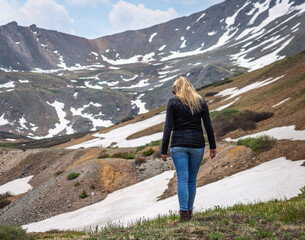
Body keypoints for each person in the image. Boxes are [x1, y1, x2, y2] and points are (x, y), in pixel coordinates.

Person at [161, 76, 217, 223]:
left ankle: (184, 214)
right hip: (197, 145)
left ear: (177, 88)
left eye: (174, 88)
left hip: (178, 145)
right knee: (191, 181)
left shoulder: (173, 102)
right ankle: (189, 212)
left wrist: (163, 149)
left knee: (182, 179)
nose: (172, 91)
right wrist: (213, 146)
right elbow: (208, 125)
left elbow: (168, 127)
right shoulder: (200, 101)